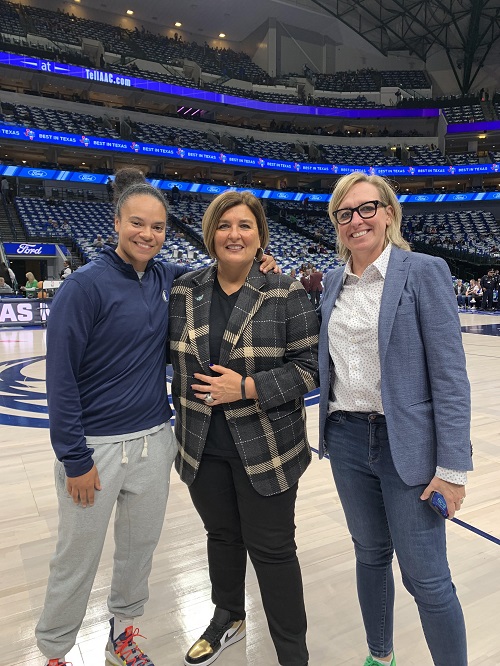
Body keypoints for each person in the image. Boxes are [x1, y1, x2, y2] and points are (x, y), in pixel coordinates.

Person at [36, 170, 277, 666]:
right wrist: (74, 457)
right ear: (117, 223)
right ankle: (55, 651)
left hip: (154, 442)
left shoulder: (169, 278)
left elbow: (220, 277)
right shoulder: (82, 288)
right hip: (94, 449)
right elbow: (58, 381)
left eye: (158, 227)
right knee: (75, 560)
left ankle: (122, 636)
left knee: (137, 553)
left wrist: (260, 262)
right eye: (137, 224)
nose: (147, 234)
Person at [318, 172, 472, 666]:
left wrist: (451, 469)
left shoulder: (423, 270)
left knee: (427, 577)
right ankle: (380, 656)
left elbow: (450, 377)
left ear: (388, 212)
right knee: (369, 555)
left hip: (406, 444)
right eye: (345, 213)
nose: (356, 220)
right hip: (345, 439)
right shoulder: (332, 282)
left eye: (367, 209)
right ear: (337, 224)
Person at [169, 190, 319, 666]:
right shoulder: (184, 290)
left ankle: (293, 654)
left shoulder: (286, 290)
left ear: (260, 237)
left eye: (245, 225)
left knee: (274, 553)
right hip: (202, 447)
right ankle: (228, 615)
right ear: (211, 233)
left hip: (268, 449)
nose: (234, 233)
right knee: (221, 537)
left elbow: (311, 368)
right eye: (225, 224)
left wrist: (248, 387)